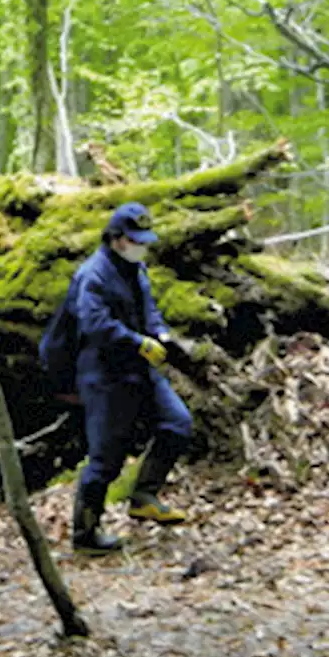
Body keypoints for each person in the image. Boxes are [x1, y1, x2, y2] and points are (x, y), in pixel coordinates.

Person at [68, 202, 193, 555]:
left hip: (141, 370)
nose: (143, 246)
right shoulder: (93, 275)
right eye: (136, 240)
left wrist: (161, 336)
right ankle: (85, 534)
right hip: (105, 375)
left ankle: (144, 496)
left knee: (177, 423)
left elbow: (149, 310)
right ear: (117, 239)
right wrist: (136, 342)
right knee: (106, 458)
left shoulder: (136, 270)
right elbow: (93, 323)